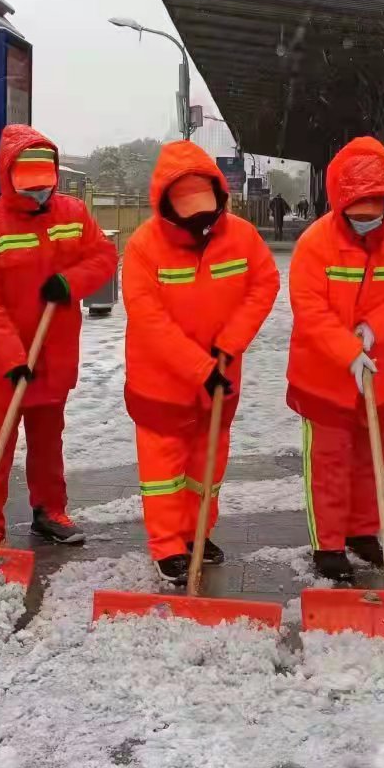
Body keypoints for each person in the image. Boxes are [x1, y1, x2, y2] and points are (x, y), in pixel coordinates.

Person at [122, 142, 280, 583]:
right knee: (163, 471)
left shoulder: (241, 236)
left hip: (221, 375)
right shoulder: (143, 248)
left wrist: (229, 346)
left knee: (206, 466)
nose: (200, 222)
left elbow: (263, 285)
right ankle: (167, 545)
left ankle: (197, 533)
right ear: (166, 205)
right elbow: (149, 319)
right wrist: (200, 366)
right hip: (162, 383)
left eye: (206, 211)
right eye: (189, 212)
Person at [286, 136, 384, 582]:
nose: (366, 224)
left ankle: (363, 531)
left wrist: (377, 327)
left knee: (373, 459)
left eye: (375, 214)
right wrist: (348, 349)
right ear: (341, 202)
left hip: (381, 377)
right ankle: (328, 544)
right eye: (357, 215)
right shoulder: (316, 244)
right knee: (330, 464)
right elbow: (309, 308)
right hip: (324, 377)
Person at [0, 125, 119, 547]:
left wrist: (71, 282)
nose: (38, 195)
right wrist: (12, 360)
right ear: (8, 176)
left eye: (44, 187)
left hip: (55, 351)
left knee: (49, 441)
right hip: (3, 363)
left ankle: (50, 511)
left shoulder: (74, 215)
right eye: (29, 188)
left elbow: (103, 256)